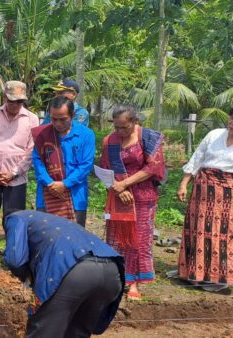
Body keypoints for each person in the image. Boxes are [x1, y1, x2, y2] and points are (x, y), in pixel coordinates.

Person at [177, 103, 233, 290]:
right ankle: (193, 274)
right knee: (198, 229)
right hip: (203, 190)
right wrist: (184, 183)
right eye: (232, 118)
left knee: (225, 233)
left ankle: (219, 277)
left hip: (231, 194)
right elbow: (197, 159)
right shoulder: (214, 135)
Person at [3, 210, 124, 337]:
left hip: (74, 272)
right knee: (76, 333)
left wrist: (29, 279)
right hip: (113, 271)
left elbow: (15, 260)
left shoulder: (15, 217)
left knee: (44, 333)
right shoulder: (56, 221)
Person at [99, 105, 166, 301]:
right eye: (116, 127)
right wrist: (117, 189)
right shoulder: (110, 141)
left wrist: (125, 184)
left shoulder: (149, 138)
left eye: (124, 128)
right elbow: (105, 168)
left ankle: (134, 282)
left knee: (137, 239)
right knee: (117, 237)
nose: (119, 132)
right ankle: (117, 278)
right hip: (118, 195)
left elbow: (153, 167)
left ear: (136, 122)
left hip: (143, 196)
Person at [0, 81, 39, 257]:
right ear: (4, 97)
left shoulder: (32, 119)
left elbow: (30, 150)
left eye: (19, 102)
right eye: (12, 101)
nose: (15, 105)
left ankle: (12, 253)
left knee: (13, 217)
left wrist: (13, 173)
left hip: (16, 178)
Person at [32, 96, 95, 226]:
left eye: (63, 119)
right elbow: (37, 161)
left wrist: (65, 184)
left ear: (72, 115)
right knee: (46, 236)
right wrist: (49, 183)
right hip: (47, 194)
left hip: (75, 195)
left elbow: (86, 165)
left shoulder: (86, 134)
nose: (58, 124)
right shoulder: (43, 135)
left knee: (74, 237)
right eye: (54, 119)